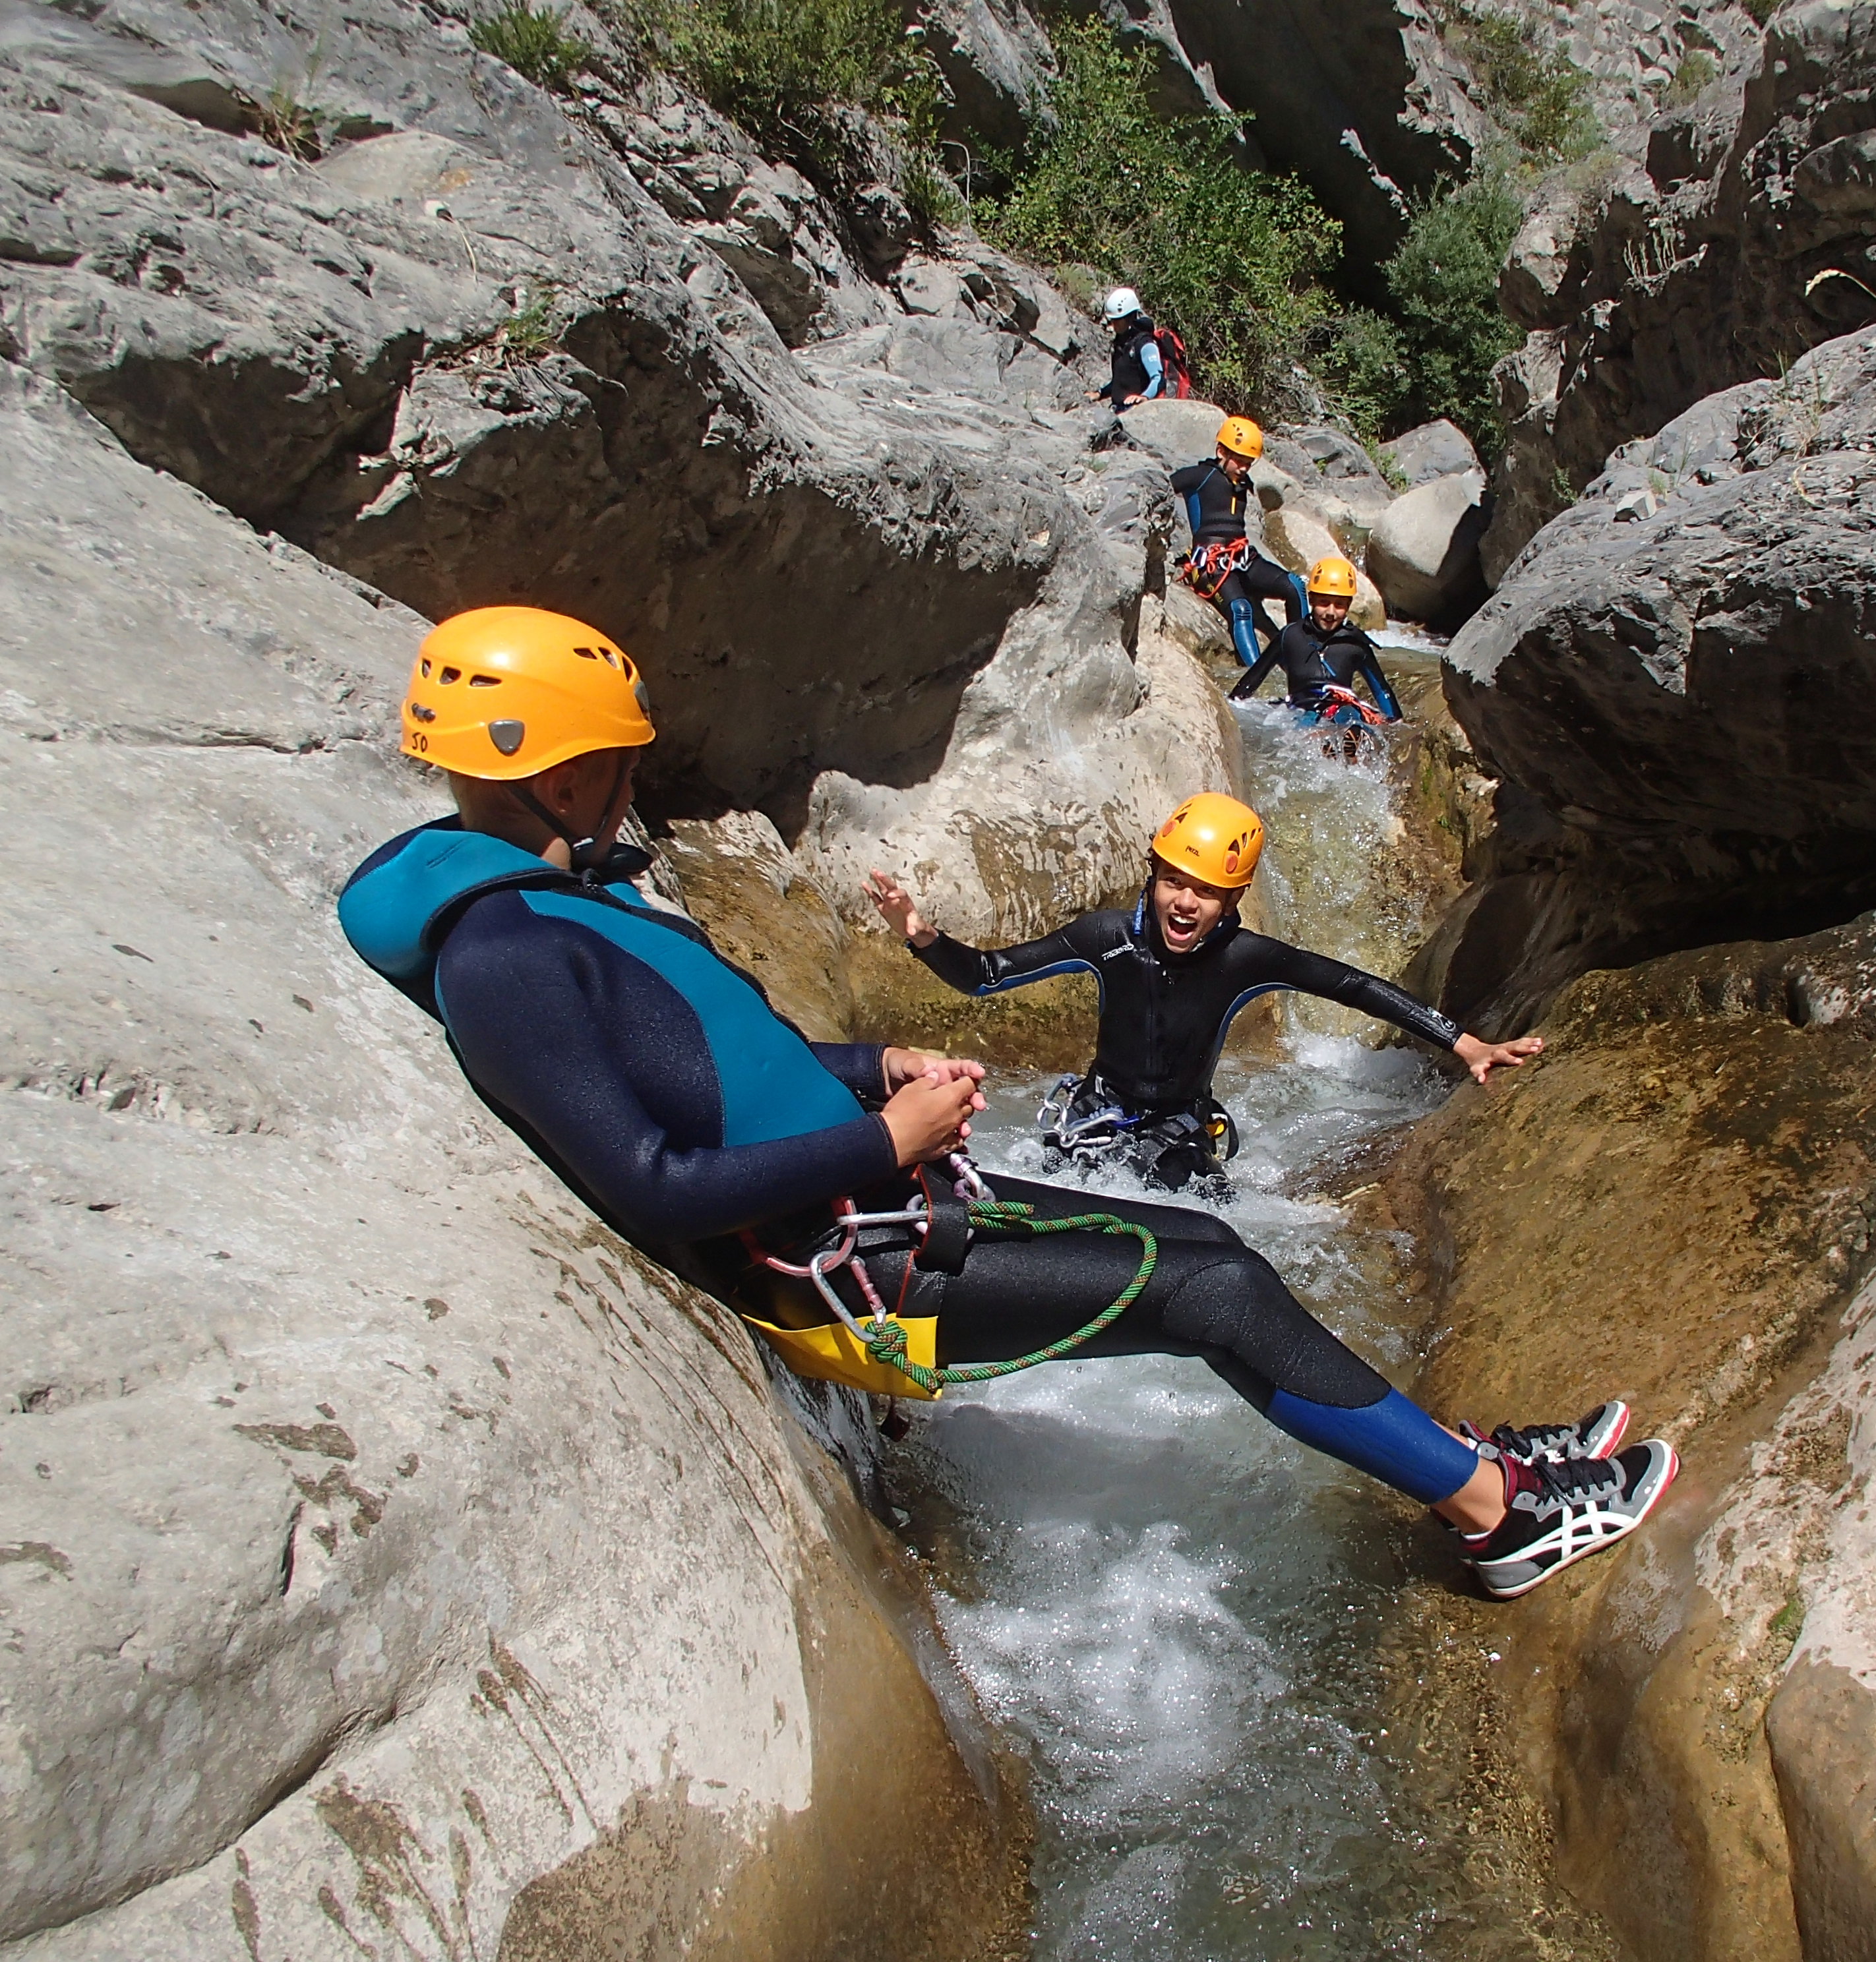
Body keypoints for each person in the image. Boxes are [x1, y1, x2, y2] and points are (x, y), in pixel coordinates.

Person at [337, 606, 1676, 1599]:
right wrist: (881, 1138)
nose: (642, 780)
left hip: (875, 1199)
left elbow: (711, 1056)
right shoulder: (508, 956)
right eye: (626, 761)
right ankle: (1505, 1518)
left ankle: (1454, 1457)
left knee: (1219, 1252)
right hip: (842, 1270)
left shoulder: (563, 897)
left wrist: (875, 1074)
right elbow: (651, 1184)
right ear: (566, 779)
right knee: (1208, 1295)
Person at [864, 791, 1543, 1192]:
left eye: (1207, 892)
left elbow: (1353, 986)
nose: (1186, 902)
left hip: (1179, 1131)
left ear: (1234, 899)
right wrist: (920, 933)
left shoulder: (1245, 959)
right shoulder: (1106, 938)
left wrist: (1464, 1042)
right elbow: (987, 976)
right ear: (1152, 878)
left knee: (1209, 1232)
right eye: (1173, 882)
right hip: (1094, 1120)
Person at [1170, 415, 1309, 670]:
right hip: (1211, 564)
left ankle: (1304, 660)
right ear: (1221, 450)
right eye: (1239, 460)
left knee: (1295, 585)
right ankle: (1255, 676)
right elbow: (1165, 486)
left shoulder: (1243, 482)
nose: (1244, 468)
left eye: (1249, 462)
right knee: (1241, 609)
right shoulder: (1201, 475)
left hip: (1243, 558)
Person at [1230, 554, 1401, 727]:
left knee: (1350, 715)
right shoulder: (1290, 636)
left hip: (1340, 709)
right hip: (1300, 710)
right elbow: (1253, 678)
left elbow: (1381, 690)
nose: (1331, 612)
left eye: (1339, 605)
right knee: (1306, 721)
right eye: (1324, 603)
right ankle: (1326, 740)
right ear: (1311, 600)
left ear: (1348, 605)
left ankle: (1353, 736)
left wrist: (1397, 724)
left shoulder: (1355, 645)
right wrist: (1232, 704)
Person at [1089, 287, 1170, 411]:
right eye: (1112, 320)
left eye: (1117, 320)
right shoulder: (1121, 344)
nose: (1113, 324)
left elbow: (1159, 379)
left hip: (1137, 413)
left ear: (1129, 317)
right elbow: (1120, 383)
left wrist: (1144, 397)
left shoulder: (1145, 344)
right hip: (1119, 411)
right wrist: (1100, 393)